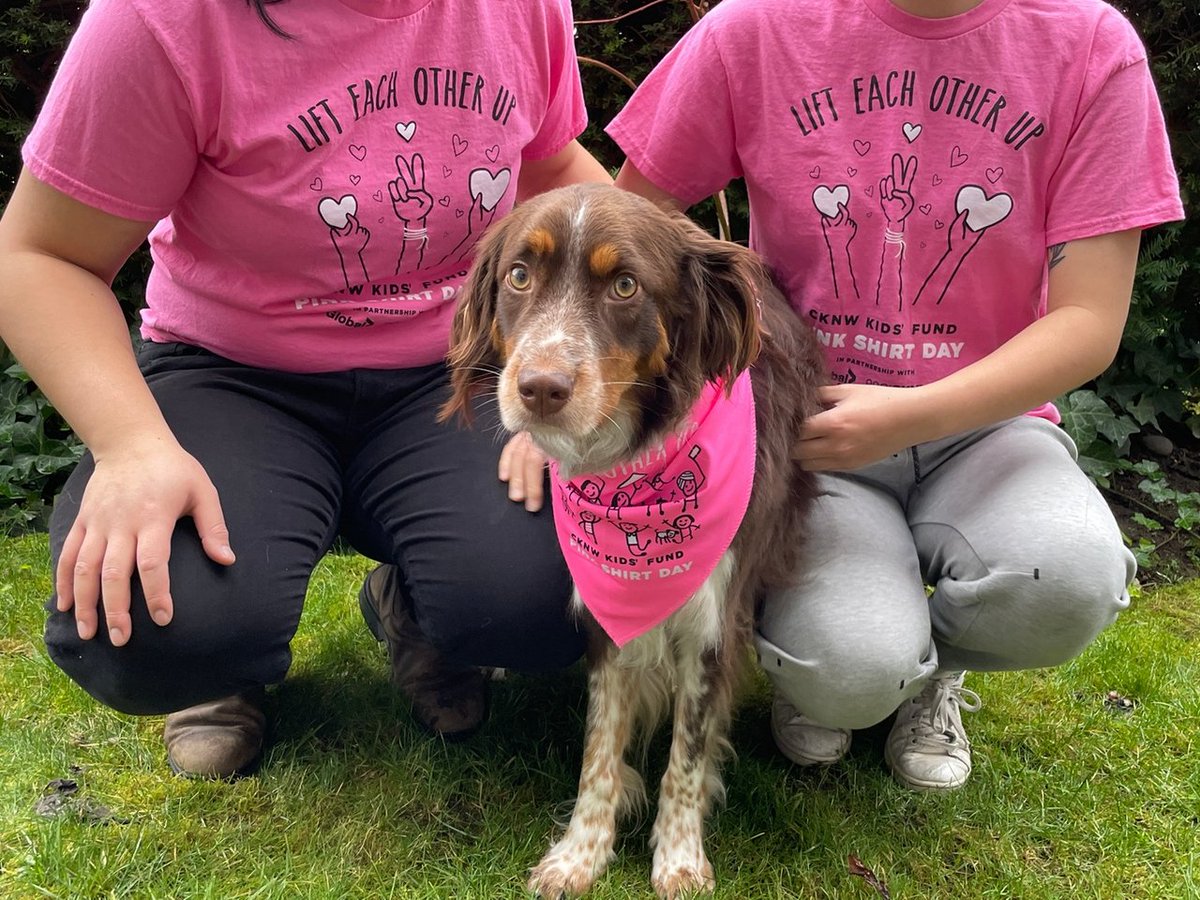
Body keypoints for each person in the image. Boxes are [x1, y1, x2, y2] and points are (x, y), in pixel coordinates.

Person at [0, 0, 610, 779]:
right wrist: (131, 448)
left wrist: (648, 305)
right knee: (148, 627)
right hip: (234, 374)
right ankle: (215, 672)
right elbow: (40, 256)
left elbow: (551, 170)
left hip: (453, 369)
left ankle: (415, 611)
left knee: (557, 590)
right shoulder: (161, 20)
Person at [607, 0, 1183, 789]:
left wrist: (909, 416)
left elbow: (1089, 321)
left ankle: (932, 673)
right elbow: (628, 228)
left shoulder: (1088, 45)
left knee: (1069, 578)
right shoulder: (760, 27)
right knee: (845, 669)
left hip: (989, 428)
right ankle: (854, 670)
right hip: (818, 437)